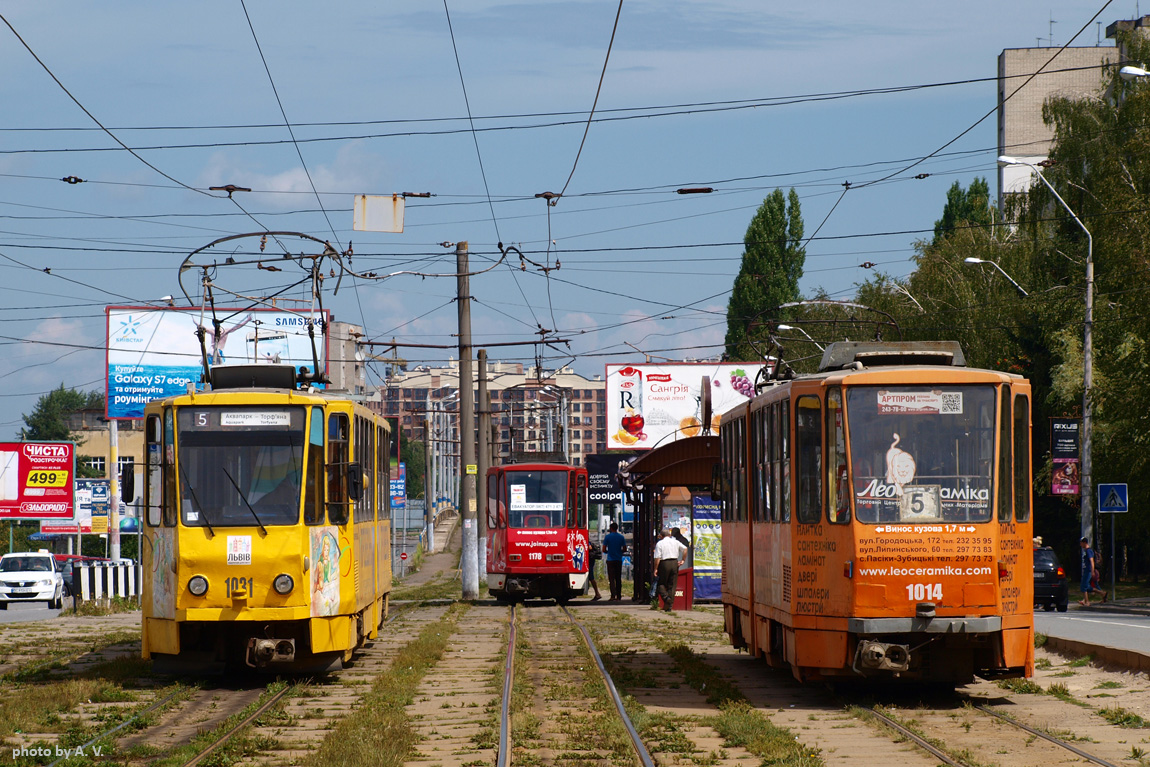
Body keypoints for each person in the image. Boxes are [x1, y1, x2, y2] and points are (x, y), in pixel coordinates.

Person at [653, 528, 688, 612]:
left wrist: (655, 569)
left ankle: (666, 598)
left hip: (664, 563)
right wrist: (683, 560)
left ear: (661, 536)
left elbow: (657, 558)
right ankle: (669, 606)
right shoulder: (675, 542)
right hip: (674, 562)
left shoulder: (660, 543)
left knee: (660, 583)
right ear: (669, 535)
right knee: (672, 585)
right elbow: (685, 549)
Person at [602, 522, 627, 601]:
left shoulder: (607, 537)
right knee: (618, 578)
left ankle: (613, 595)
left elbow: (603, 549)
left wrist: (608, 552)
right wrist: (620, 552)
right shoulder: (621, 537)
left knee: (611, 579)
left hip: (610, 560)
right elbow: (625, 549)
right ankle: (619, 596)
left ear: (611, 528)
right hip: (618, 560)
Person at [1078, 537, 1107, 606]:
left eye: (1081, 543)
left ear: (1085, 543)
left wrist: (1092, 571)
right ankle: (1102, 593)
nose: (1080, 544)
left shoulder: (1089, 551)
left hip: (1088, 571)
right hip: (1086, 570)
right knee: (1087, 587)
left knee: (1084, 586)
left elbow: (1091, 561)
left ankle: (1087, 602)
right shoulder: (1086, 551)